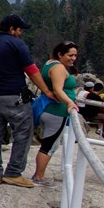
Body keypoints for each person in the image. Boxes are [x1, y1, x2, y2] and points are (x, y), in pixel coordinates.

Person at [0, 14, 57, 188]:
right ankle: (13, 172)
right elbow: (32, 70)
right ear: (12, 29)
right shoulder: (16, 43)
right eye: (19, 29)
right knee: (23, 133)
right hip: (15, 97)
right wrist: (47, 91)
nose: (20, 33)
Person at [31, 42, 82, 186]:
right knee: (49, 145)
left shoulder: (50, 63)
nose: (73, 58)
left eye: (75, 55)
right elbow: (58, 89)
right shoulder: (59, 68)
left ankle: (38, 174)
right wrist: (69, 103)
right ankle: (39, 176)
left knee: (48, 143)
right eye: (70, 55)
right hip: (56, 111)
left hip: (48, 108)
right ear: (60, 54)